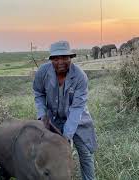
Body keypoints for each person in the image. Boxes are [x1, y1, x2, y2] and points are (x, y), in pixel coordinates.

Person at [33, 40, 98, 180]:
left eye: (64, 57)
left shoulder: (80, 76)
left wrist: (66, 136)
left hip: (78, 120)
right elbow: (38, 94)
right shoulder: (42, 72)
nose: (60, 61)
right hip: (52, 120)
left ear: (71, 58)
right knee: (53, 154)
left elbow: (77, 108)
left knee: (85, 154)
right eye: (56, 58)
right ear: (51, 60)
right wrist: (42, 115)